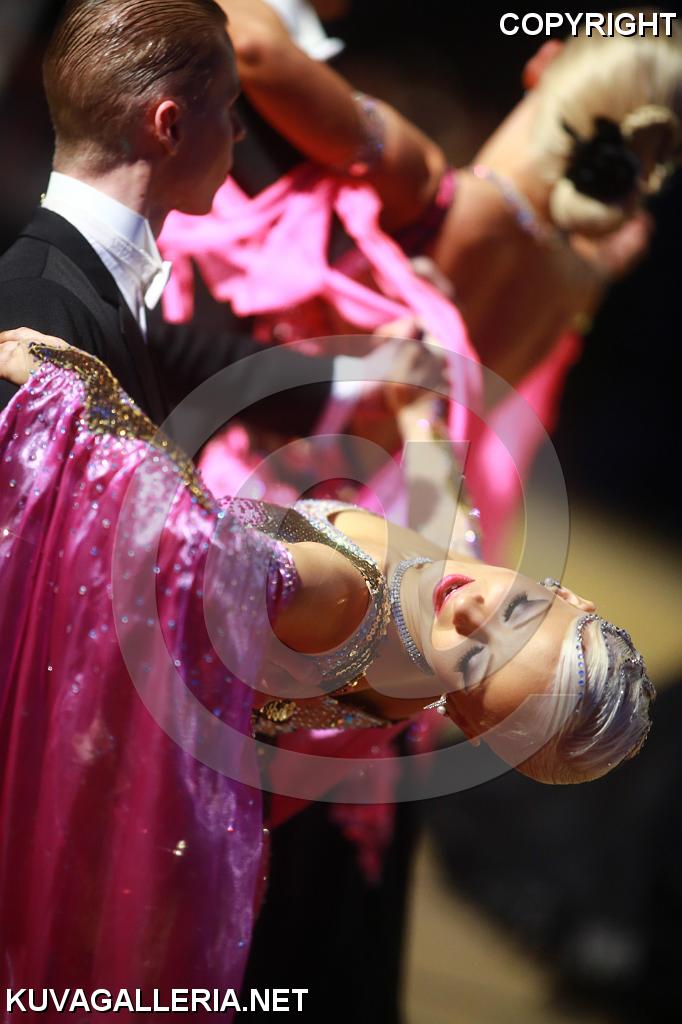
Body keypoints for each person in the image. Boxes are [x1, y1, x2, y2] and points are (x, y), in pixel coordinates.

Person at [0, 328, 654, 1005]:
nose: (470, 609)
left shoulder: (337, 597)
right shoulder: (447, 583)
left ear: (463, 717)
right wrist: (418, 409)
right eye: (519, 611)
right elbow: (447, 519)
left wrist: (85, 397)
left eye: (475, 662)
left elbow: (187, 541)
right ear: (566, 594)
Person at [0, 0, 447, 449]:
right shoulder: (37, 306)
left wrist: (367, 377)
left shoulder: (82, 283)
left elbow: (191, 359)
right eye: (228, 104)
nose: (238, 130)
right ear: (170, 126)